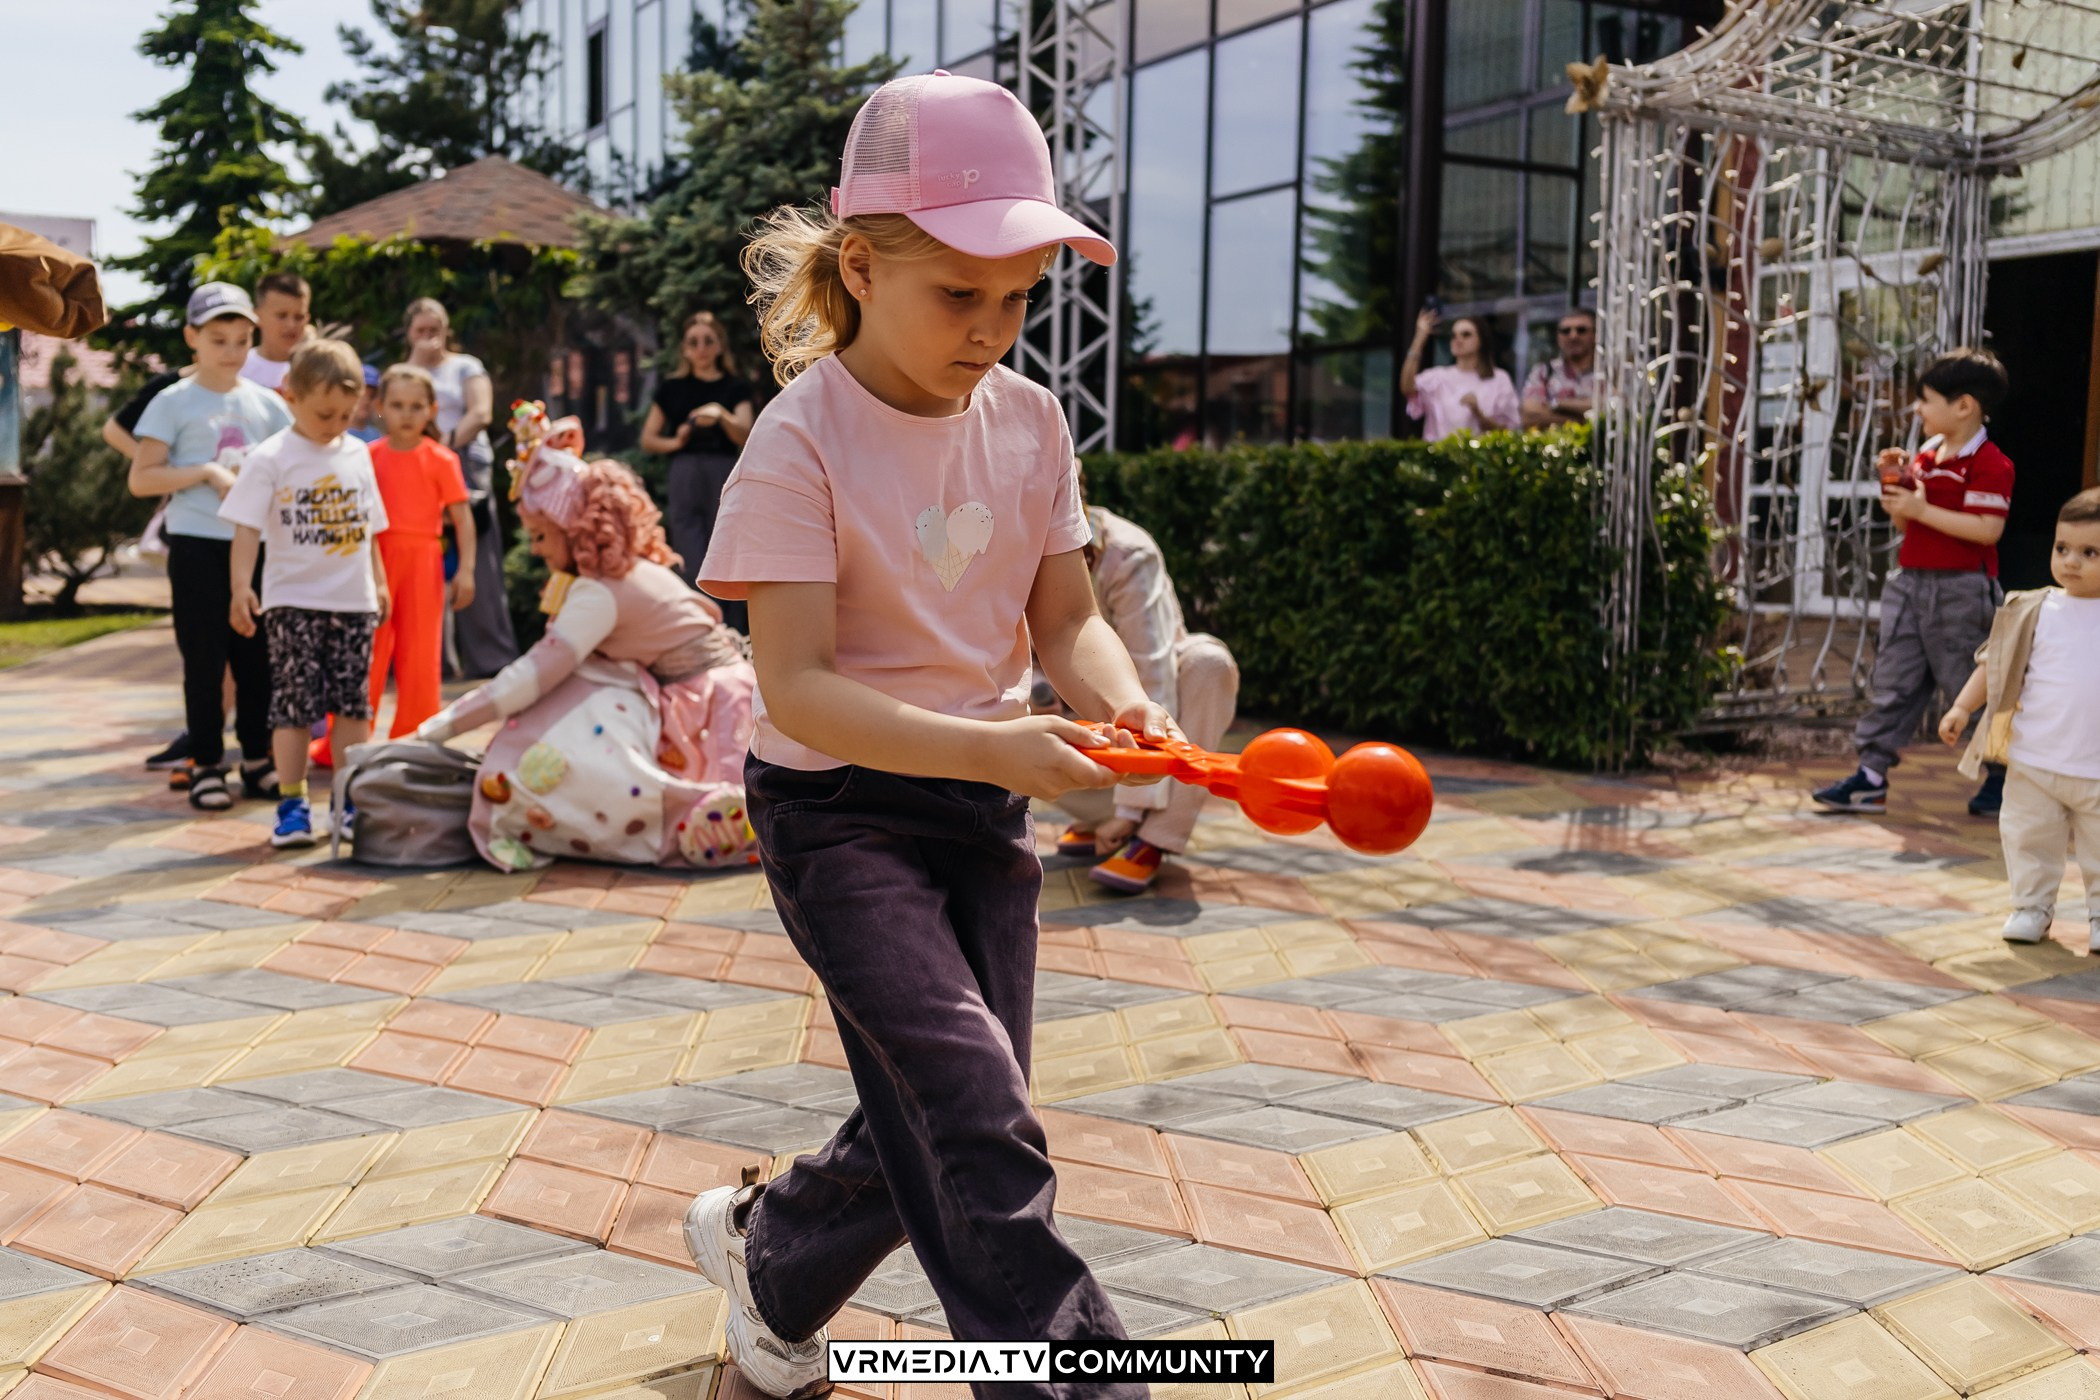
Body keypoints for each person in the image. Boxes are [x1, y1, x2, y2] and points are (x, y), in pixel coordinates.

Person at [688, 71, 1163, 1400]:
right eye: (961, 294)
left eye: (1019, 299)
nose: (993, 331)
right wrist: (999, 749)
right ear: (861, 265)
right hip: (840, 816)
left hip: (979, 813)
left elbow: (1066, 617)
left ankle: (767, 1254)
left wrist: (1117, 698)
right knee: (977, 1119)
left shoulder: (1029, 423)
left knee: (936, 1115)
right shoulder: (799, 443)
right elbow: (797, 691)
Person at [414, 413, 754, 872]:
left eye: (539, 535)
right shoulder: (625, 572)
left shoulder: (598, 593)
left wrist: (435, 731)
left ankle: (701, 822)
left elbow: (530, 678)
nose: (535, 550)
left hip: (705, 702)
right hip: (725, 692)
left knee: (587, 713)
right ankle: (719, 817)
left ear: (572, 529)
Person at [1814, 349, 2013, 816]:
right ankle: (1870, 777)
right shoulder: (1924, 457)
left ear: (1963, 406)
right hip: (1911, 583)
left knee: (1970, 685)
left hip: (1962, 590)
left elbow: (1987, 529)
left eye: (1926, 400)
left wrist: (1921, 509)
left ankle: (2004, 776)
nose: (1917, 410)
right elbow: (1911, 528)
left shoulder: (1989, 462)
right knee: (1894, 682)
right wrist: (1903, 506)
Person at [127, 283, 291, 811]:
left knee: (257, 660)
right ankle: (205, 763)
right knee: (204, 659)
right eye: (218, 339)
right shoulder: (171, 401)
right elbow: (141, 478)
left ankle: (259, 760)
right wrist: (204, 472)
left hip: (257, 549)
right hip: (197, 546)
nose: (232, 351)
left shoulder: (268, 405)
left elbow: (295, 464)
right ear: (191, 338)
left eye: (242, 339)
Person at [221, 339, 390, 848]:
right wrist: (240, 588)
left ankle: (347, 801)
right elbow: (247, 527)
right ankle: (293, 805)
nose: (335, 424)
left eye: (345, 413)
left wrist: (378, 582)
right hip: (292, 602)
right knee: (293, 707)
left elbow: (370, 527)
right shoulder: (270, 457)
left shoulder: (359, 453)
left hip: (353, 602)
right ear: (289, 395)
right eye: (324, 413)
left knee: (353, 707)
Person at [1938, 488, 2100, 950]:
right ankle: (2031, 907)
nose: (2071, 561)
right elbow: (1994, 662)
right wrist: (1961, 708)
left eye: (2090, 552)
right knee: (2029, 836)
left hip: (2097, 767)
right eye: (2062, 548)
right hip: (2035, 762)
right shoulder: (2033, 609)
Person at [1055, 501, 1240, 894]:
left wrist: (1129, 809)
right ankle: (1100, 819)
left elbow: (1152, 679)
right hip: (1084, 708)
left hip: (1156, 706)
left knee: (1209, 666)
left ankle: (1153, 837)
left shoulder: (1128, 553)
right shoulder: (1021, 536)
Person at [404, 296, 516, 677]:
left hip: (465, 462)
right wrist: (415, 366)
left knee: (478, 560)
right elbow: (387, 414)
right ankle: (434, 662)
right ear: (409, 334)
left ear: (446, 331)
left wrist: (444, 449)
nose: (428, 338)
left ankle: (491, 660)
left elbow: (481, 412)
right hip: (413, 469)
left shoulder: (466, 366)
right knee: (422, 560)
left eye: (434, 330)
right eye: (420, 331)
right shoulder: (402, 372)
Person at [365, 364, 476, 737]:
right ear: (380, 406)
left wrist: (467, 570)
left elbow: (462, 518)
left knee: (421, 652)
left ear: (431, 409)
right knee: (369, 651)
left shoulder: (442, 459)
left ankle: (413, 734)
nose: (406, 414)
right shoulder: (367, 457)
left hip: (424, 561)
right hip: (376, 559)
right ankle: (346, 737)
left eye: (416, 406)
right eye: (397, 405)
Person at [640, 310, 757, 631]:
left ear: (720, 346)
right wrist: (676, 442)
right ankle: (700, 630)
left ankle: (737, 635)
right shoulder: (672, 388)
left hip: (725, 471)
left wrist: (720, 414)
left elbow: (746, 433)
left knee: (728, 551)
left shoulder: (735, 388)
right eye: (694, 342)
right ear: (685, 349)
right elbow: (649, 438)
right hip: (685, 471)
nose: (701, 348)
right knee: (690, 553)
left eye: (708, 340)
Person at [104, 364, 193, 772]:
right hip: (192, 526)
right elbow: (115, 429)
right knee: (201, 641)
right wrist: (163, 471)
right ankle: (201, 738)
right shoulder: (173, 387)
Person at [1403, 309, 1521, 440]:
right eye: (1453, 335)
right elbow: (1407, 387)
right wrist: (1419, 338)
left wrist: (1478, 413)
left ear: (1481, 340)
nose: (1458, 339)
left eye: (1466, 334)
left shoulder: (1499, 378)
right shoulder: (1437, 376)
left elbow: (1508, 431)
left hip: (1481, 458)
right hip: (1440, 457)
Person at [1520, 306, 1597, 428]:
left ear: (1595, 335)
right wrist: (1586, 420)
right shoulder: (1543, 372)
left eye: (1581, 330)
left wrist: (1557, 404)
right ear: (1558, 336)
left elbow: (1616, 409)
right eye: (1565, 331)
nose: (1573, 336)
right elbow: (1529, 417)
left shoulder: (1609, 372)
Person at [242, 271, 312, 393]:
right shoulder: (237, 367)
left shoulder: (317, 370)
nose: (291, 325)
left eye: (299, 317)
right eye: (281, 315)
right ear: (257, 316)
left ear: (307, 319)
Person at [347, 363, 384, 443]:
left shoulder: (377, 436)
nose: (366, 401)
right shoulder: (334, 433)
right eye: (361, 395)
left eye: (372, 396)